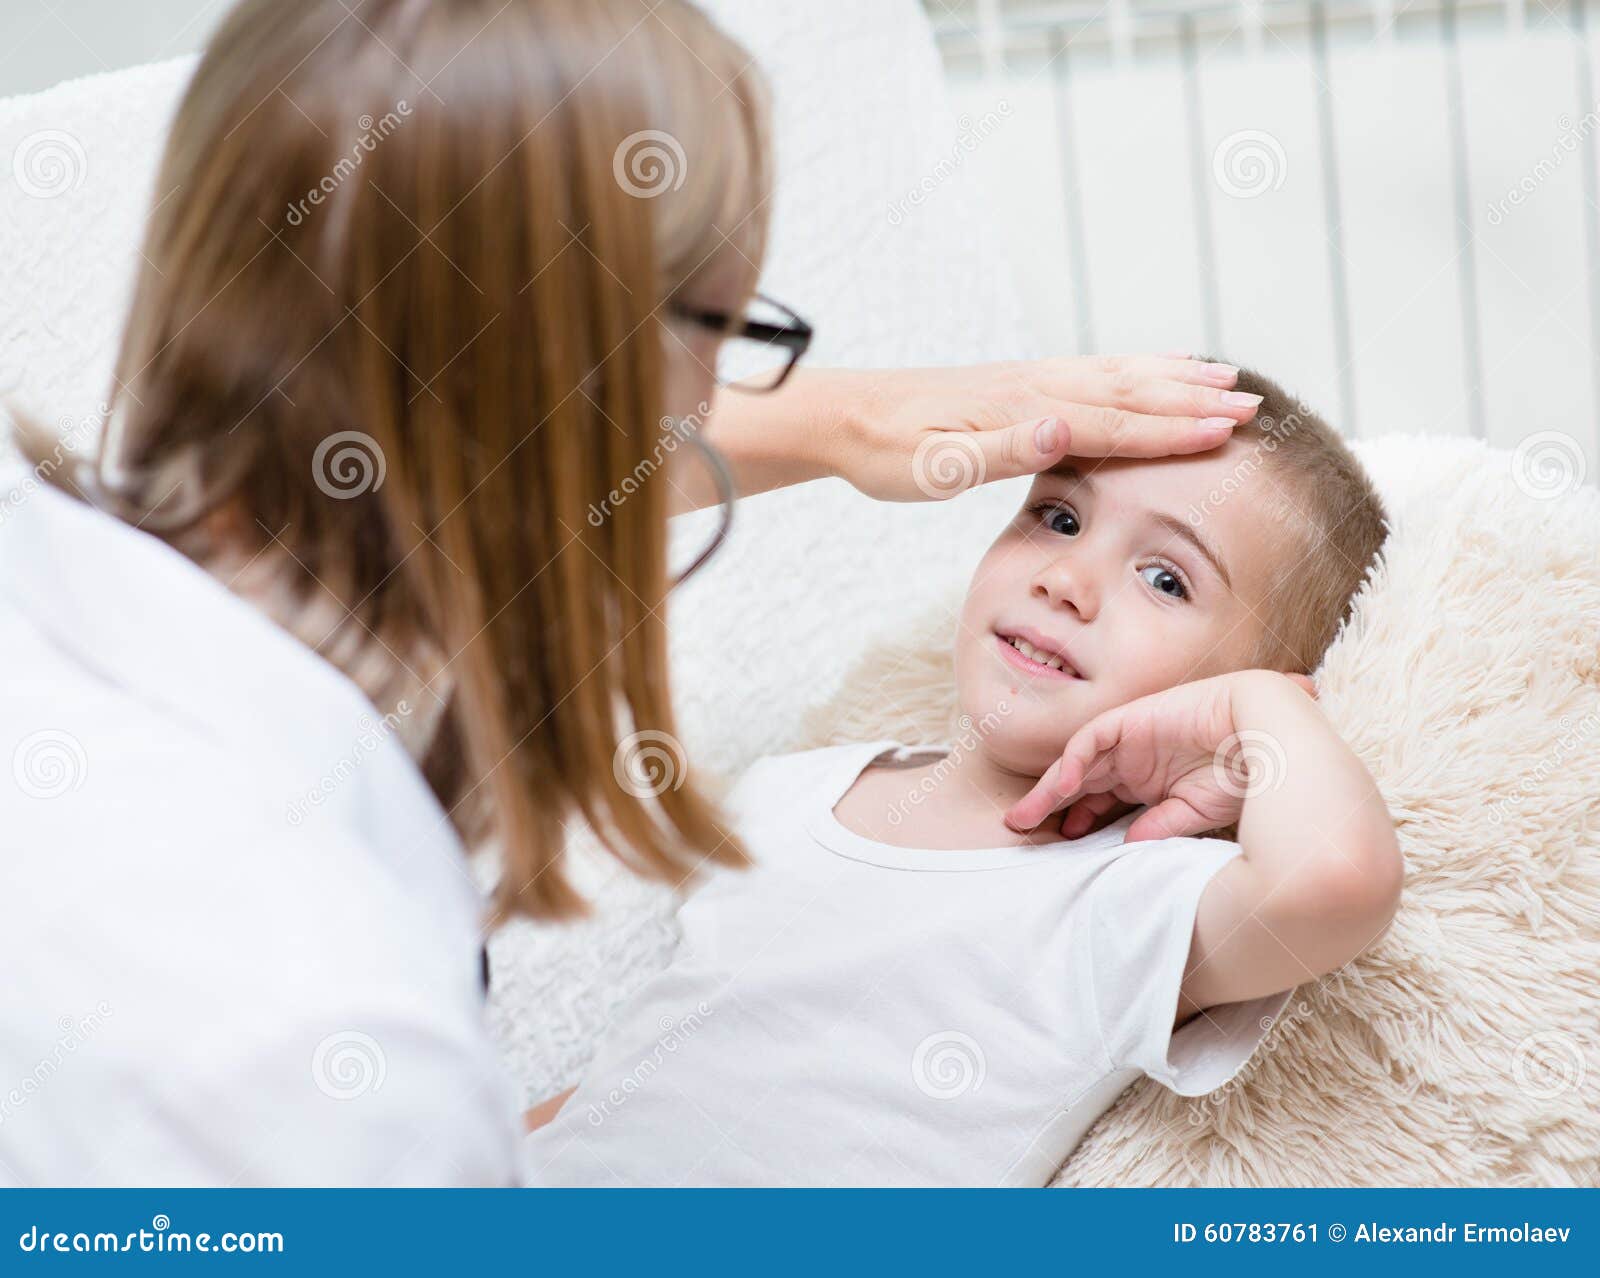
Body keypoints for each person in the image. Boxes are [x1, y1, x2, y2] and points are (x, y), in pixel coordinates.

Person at [0, 0, 1260, 1185]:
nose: (1065, 577)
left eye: (1161, 574)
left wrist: (843, 418)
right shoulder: (352, 1076)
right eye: (721, 330)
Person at [522, 369, 1404, 1186]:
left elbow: (1335, 884)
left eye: (1165, 578)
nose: (1066, 579)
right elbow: (645, 1066)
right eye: (1059, 519)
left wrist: (1264, 707)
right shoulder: (786, 790)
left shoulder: (1124, 896)